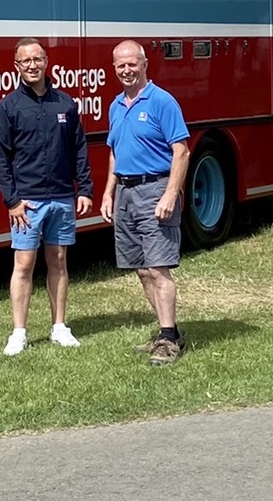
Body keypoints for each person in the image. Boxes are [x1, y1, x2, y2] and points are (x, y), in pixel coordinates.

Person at [0, 37, 93, 356]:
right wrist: (12, 200)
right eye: (25, 61)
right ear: (16, 66)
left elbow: (79, 149)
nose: (32, 65)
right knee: (24, 264)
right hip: (27, 202)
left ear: (47, 62)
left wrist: (85, 188)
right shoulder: (8, 108)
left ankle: (59, 326)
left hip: (61, 197)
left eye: (38, 59)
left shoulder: (65, 104)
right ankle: (18, 332)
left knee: (58, 261)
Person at [100, 39, 191, 365]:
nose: (126, 70)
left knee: (158, 267)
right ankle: (169, 332)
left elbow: (181, 151)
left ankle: (167, 339)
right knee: (141, 270)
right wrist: (109, 192)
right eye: (120, 65)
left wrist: (169, 193)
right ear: (114, 68)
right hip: (125, 193)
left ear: (144, 65)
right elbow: (115, 152)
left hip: (154, 190)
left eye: (132, 64)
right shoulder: (116, 105)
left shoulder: (162, 102)